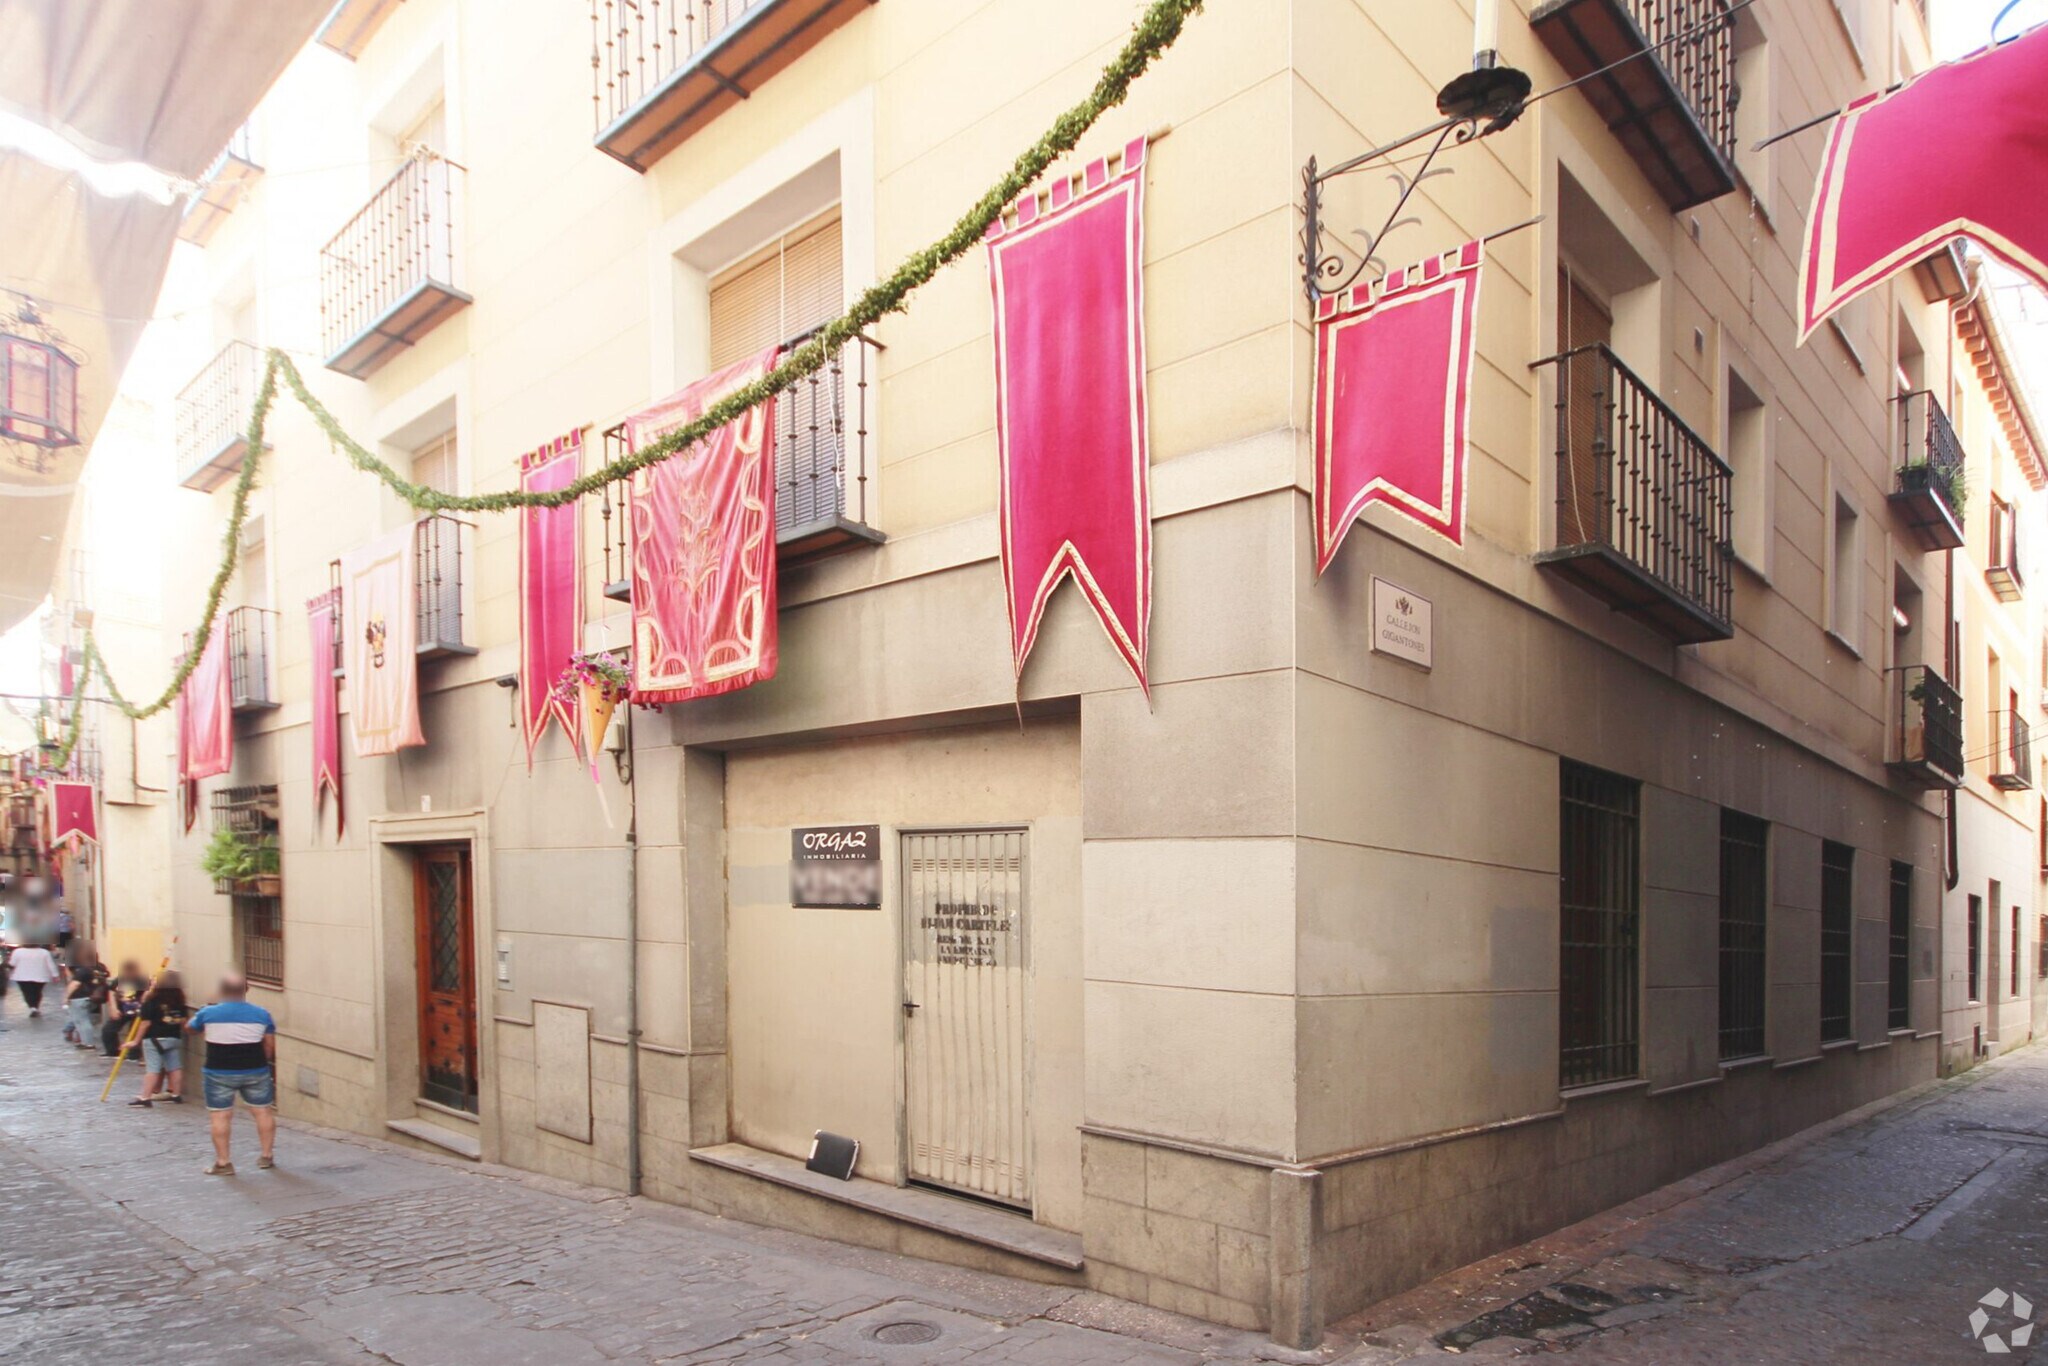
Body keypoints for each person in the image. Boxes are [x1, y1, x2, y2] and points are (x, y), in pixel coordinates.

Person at [187, 973, 276, 1174]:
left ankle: (223, 1162)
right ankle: (266, 1156)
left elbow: (190, 1029)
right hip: (255, 1068)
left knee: (220, 1116)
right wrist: (263, 1061)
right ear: (246, 990)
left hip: (218, 1071)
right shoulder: (263, 1014)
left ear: (222, 990)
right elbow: (269, 1044)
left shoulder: (208, 1013)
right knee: (263, 1112)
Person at [132, 972, 190, 1107]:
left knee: (152, 1069)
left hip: (154, 1039)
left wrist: (135, 1041)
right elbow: (184, 1022)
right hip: (174, 1038)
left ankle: (145, 1098)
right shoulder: (180, 1002)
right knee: (175, 1067)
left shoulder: (151, 1001)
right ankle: (176, 1095)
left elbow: (145, 1023)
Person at [61, 945, 104, 1050]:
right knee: (80, 1020)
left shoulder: (83, 970)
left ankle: (88, 1043)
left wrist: (66, 997)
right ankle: (85, 1041)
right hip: (90, 997)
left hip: (79, 997)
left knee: (82, 1021)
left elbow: (74, 984)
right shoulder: (99, 968)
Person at [101, 960, 147, 1057]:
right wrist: (113, 1008)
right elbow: (111, 992)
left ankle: (134, 1055)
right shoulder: (119, 980)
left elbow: (147, 994)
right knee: (108, 1030)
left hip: (137, 1012)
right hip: (122, 1010)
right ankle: (113, 1052)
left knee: (133, 1032)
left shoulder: (142, 981)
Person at [9, 941, 58, 1017]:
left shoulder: (18, 951)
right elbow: (50, 964)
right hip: (40, 976)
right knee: (37, 992)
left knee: (27, 992)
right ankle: (35, 1007)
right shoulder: (44, 952)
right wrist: (55, 975)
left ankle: (32, 1007)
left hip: (22, 976)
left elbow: (12, 964)